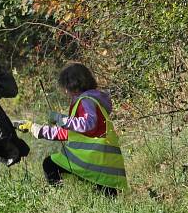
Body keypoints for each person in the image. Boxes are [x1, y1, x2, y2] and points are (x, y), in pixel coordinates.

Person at [16, 63, 127, 196]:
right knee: (106, 194)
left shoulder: (86, 101)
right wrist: (37, 129)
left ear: (73, 85)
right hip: (103, 161)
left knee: (50, 165)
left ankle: (59, 199)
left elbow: (88, 124)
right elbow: (73, 133)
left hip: (91, 159)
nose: (65, 91)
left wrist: (61, 119)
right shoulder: (93, 99)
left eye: (65, 87)